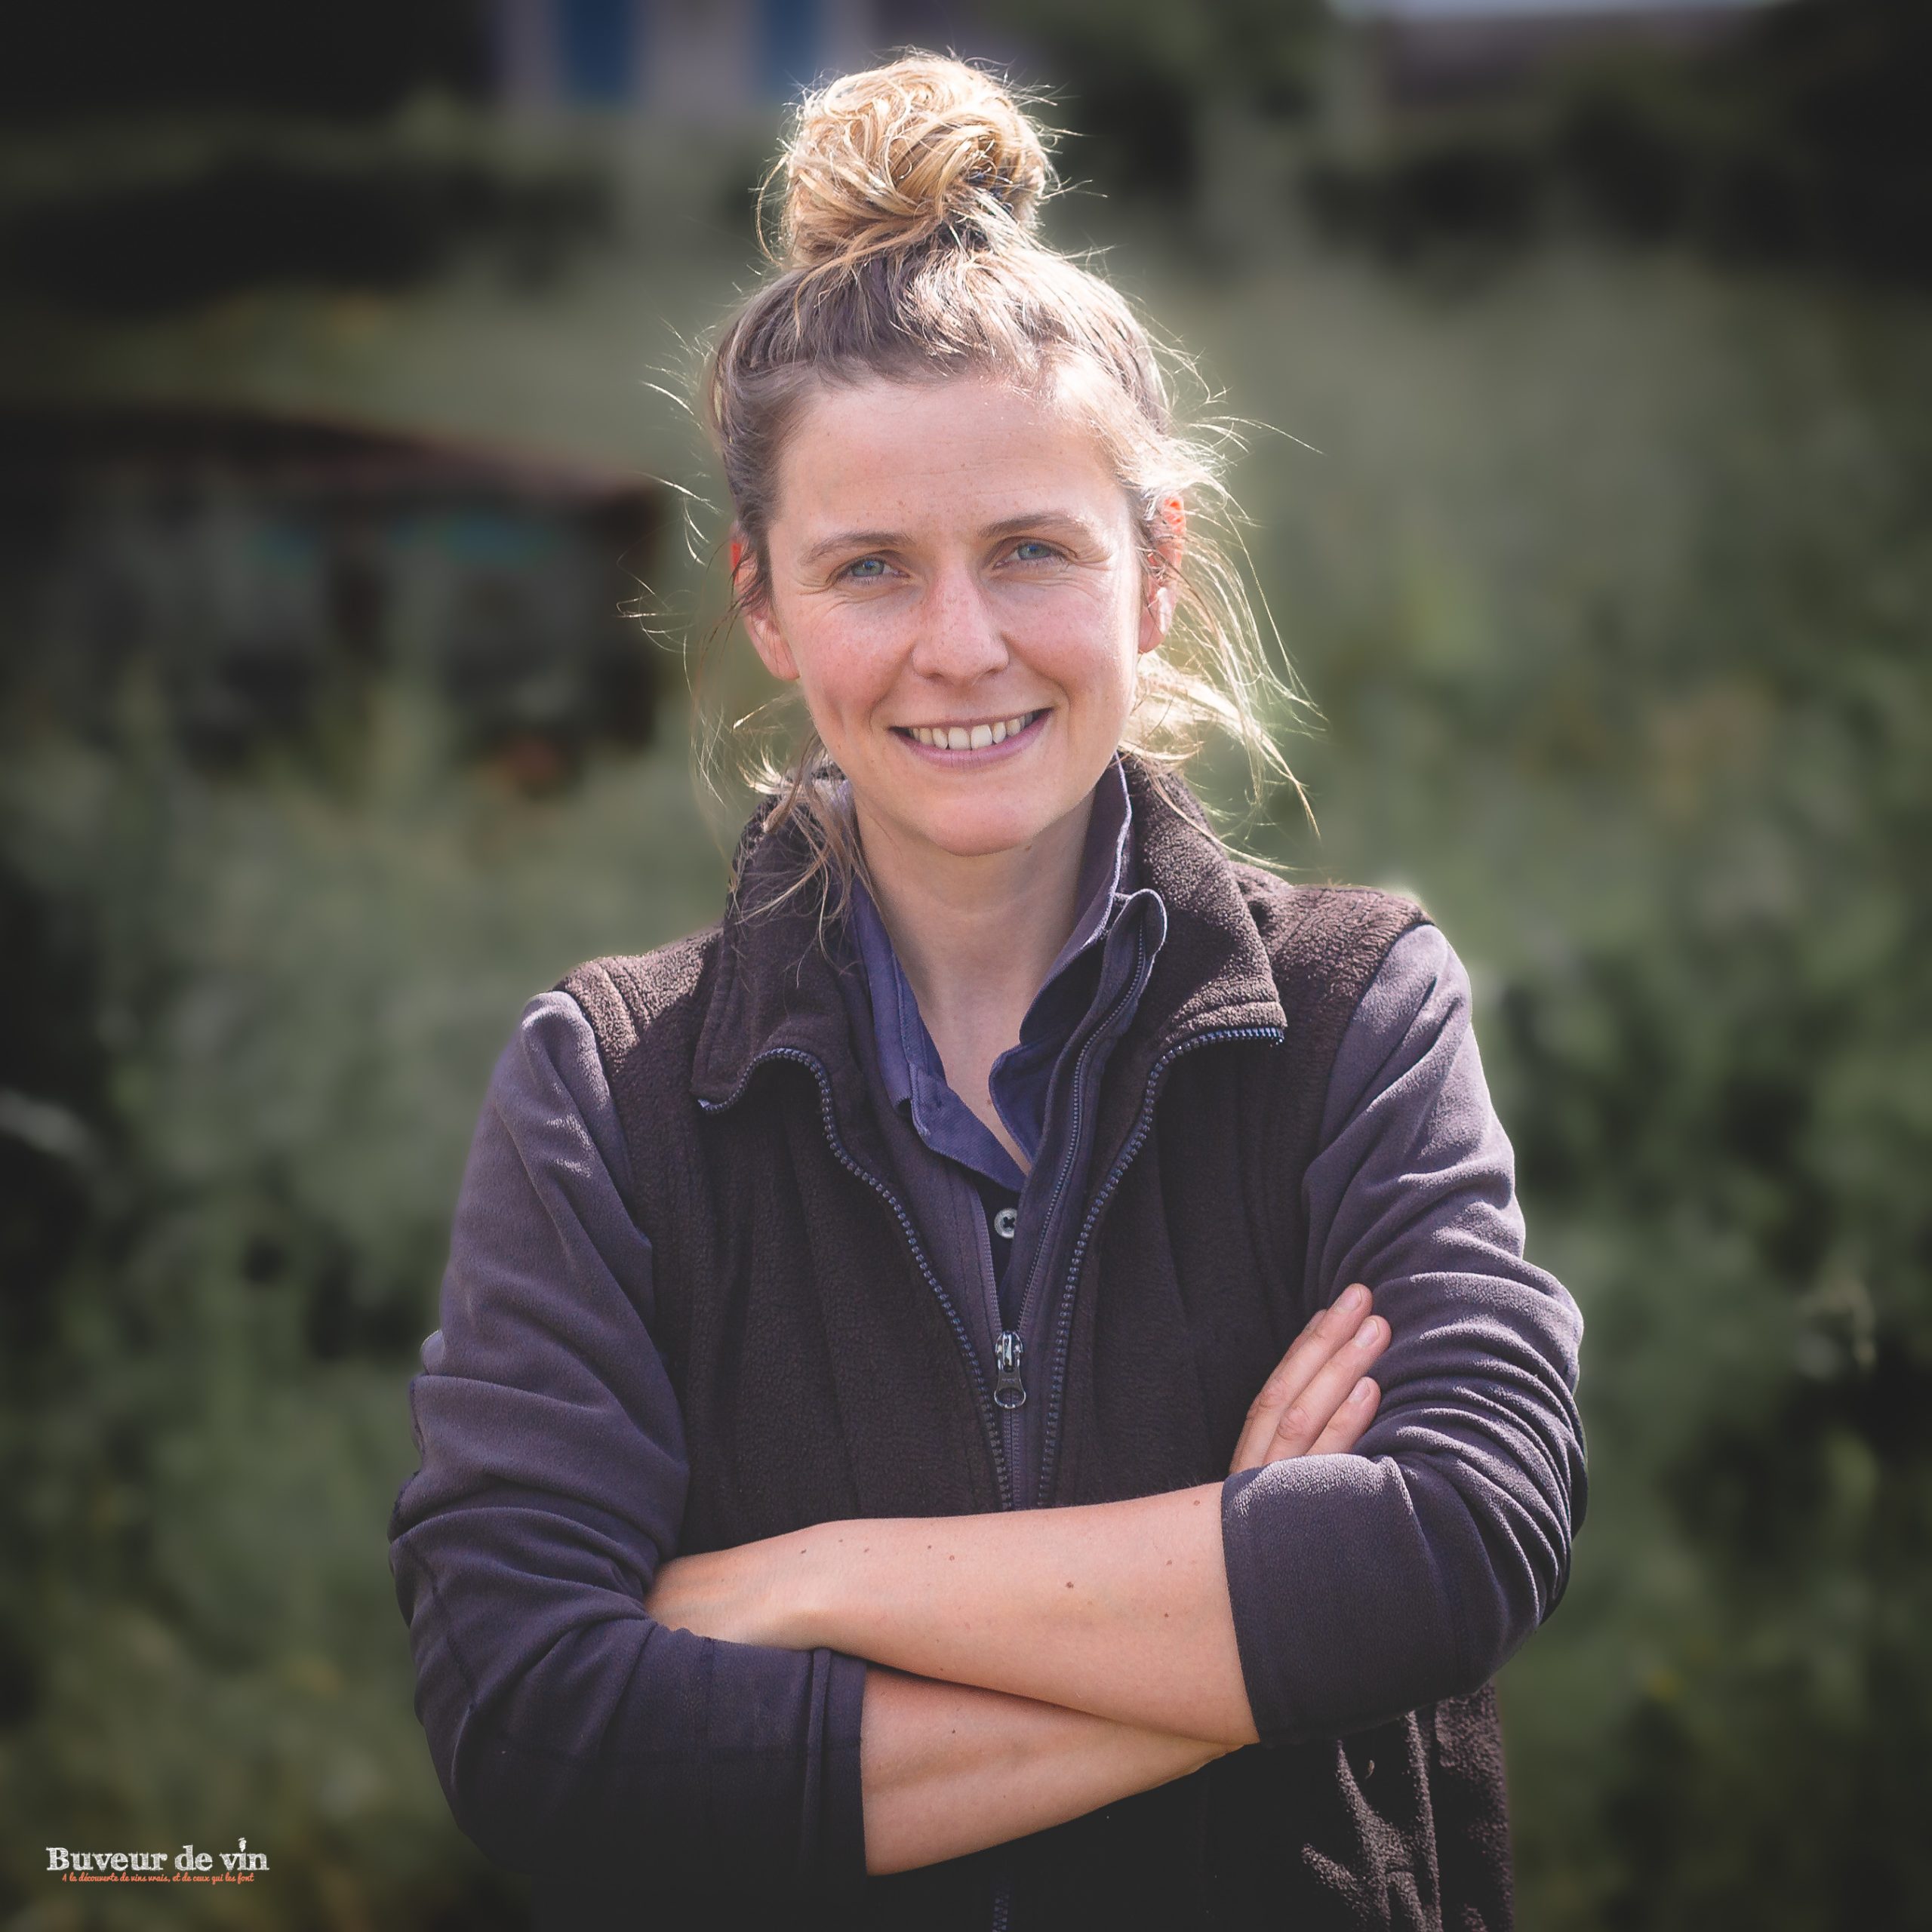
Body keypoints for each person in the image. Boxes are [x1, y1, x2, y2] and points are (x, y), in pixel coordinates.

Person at [386, 54, 1586, 1932]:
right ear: (768, 605)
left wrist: (815, 1578)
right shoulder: (604, 1092)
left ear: (1154, 569)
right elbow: (538, 1729)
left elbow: (1460, 1538)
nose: (959, 647)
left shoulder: (1355, 1012)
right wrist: (1238, 1632)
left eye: (1031, 546)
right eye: (870, 567)